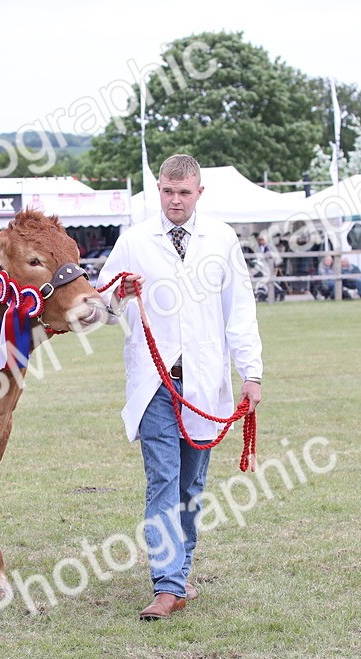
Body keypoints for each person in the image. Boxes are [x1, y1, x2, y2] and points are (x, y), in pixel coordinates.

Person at [98, 154, 263, 621]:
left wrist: (251, 372)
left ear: (199, 193)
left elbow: (240, 309)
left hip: (204, 383)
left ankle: (180, 571)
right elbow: (101, 303)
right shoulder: (133, 241)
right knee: (164, 480)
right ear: (158, 189)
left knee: (192, 484)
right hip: (156, 382)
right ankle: (167, 585)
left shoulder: (222, 239)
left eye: (184, 192)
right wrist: (118, 294)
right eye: (167, 192)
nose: (175, 200)